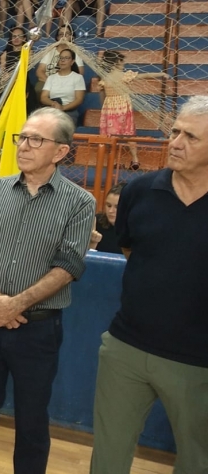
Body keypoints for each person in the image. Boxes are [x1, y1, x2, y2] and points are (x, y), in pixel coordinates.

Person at [0, 107, 95, 473]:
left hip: (37, 330)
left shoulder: (80, 203)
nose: (24, 146)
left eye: (37, 139)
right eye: (23, 137)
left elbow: (68, 266)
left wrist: (14, 304)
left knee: (33, 420)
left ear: (61, 151)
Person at [89, 96, 208, 473]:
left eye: (191, 137)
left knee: (196, 459)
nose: (175, 142)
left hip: (198, 361)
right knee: (107, 458)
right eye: (174, 131)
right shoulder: (139, 192)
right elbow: (129, 249)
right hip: (126, 348)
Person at [97, 50, 169, 170]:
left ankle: (114, 161)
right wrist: (160, 74)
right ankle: (135, 159)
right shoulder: (124, 75)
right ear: (117, 62)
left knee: (111, 134)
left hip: (109, 107)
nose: (123, 64)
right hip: (123, 107)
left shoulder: (105, 79)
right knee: (128, 133)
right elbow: (144, 76)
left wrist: (104, 108)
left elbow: (101, 96)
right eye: (122, 61)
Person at [35, 25, 85, 97]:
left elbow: (80, 73)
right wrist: (50, 83)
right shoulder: (49, 51)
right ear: (57, 38)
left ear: (72, 37)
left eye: (67, 34)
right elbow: (39, 71)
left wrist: (63, 84)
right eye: (61, 34)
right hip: (47, 81)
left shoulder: (76, 52)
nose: (63, 37)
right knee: (39, 88)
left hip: (67, 83)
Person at [40, 49, 86, 124]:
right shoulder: (51, 78)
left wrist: (62, 108)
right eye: (61, 58)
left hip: (69, 112)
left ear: (72, 61)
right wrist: (54, 104)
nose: (63, 60)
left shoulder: (78, 78)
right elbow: (43, 97)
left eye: (66, 58)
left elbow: (79, 99)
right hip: (53, 109)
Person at [88, 183, 123, 254]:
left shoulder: (135, 227)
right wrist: (92, 243)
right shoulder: (96, 222)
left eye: (117, 207)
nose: (111, 211)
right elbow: (83, 259)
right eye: (109, 205)